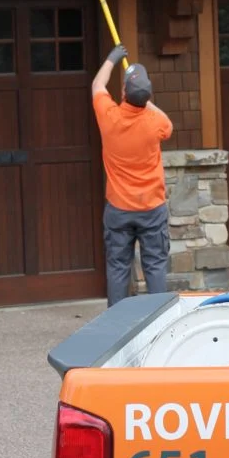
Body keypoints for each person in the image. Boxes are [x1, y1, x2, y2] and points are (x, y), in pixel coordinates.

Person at [92, 44, 173, 305]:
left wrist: (112, 58)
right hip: (152, 207)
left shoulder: (109, 117)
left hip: (119, 209)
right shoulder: (156, 123)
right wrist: (146, 102)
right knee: (155, 267)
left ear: (124, 92)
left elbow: (97, 86)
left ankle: (118, 327)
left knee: (118, 268)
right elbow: (167, 122)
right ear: (147, 96)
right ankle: (160, 325)